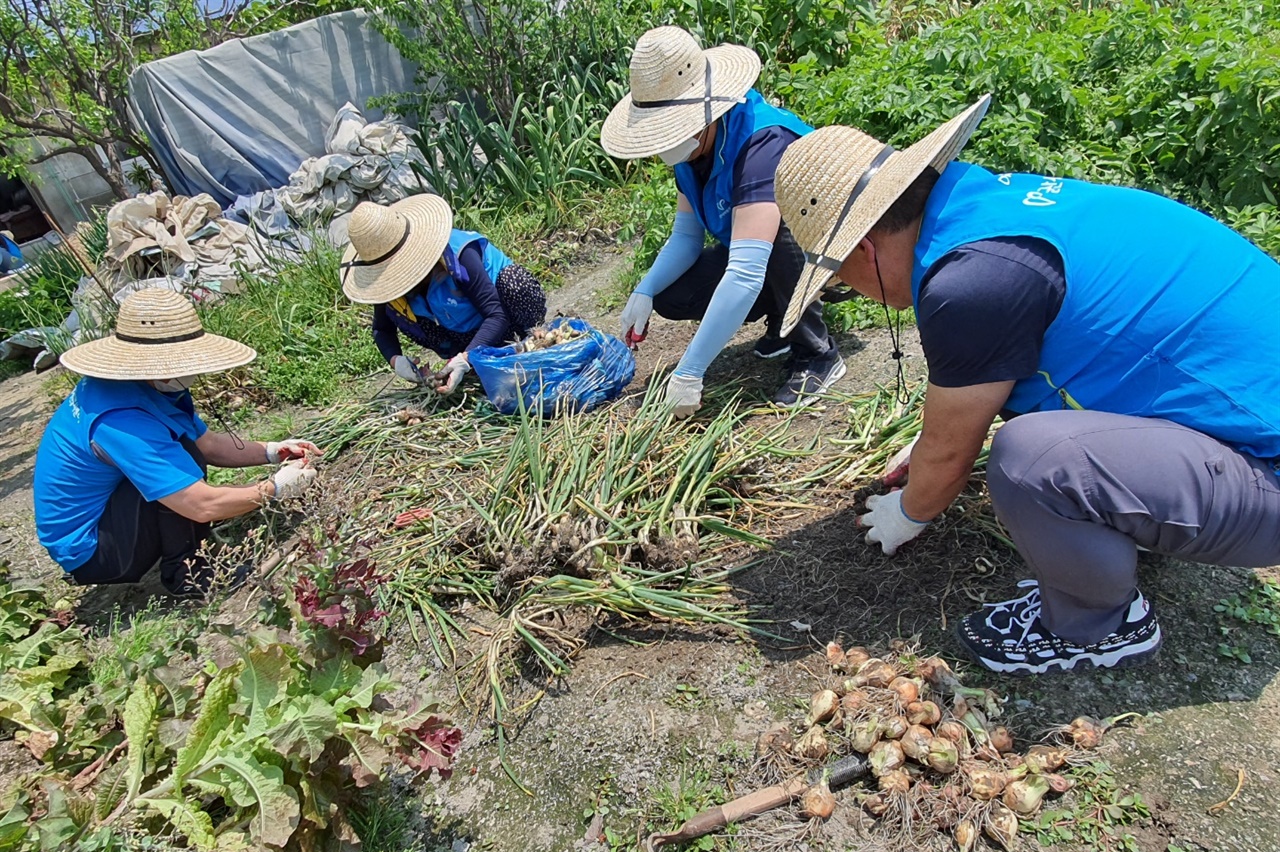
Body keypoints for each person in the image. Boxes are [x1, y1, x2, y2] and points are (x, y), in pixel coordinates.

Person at [773, 95, 1280, 675]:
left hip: (1268, 469)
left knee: (1029, 459)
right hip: (1245, 414)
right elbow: (1002, 371)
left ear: (863, 250)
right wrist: (935, 439)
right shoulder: (979, 206)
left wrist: (909, 512)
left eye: (837, 276)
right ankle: (1132, 518)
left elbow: (950, 456)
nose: (848, 288)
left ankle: (1098, 627)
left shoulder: (971, 286)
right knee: (1033, 435)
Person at [599, 26, 848, 416]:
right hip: (765, 254)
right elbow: (685, 238)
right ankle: (784, 318)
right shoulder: (693, 152)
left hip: (833, 250)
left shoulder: (760, 142)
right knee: (672, 291)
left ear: (705, 111)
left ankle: (816, 352)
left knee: (780, 229)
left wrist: (690, 371)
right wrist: (644, 291)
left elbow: (747, 272)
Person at [34, 288, 322, 597]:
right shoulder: (121, 419)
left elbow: (207, 445)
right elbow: (200, 504)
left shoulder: (145, 387)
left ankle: (184, 552)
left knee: (185, 450)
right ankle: (190, 575)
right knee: (181, 461)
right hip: (95, 553)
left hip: (107, 517)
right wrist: (275, 489)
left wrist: (271, 451)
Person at [341, 195, 547, 395]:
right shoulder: (388, 288)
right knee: (398, 313)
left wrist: (467, 357)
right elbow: (381, 329)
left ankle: (529, 340)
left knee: (514, 282)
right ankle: (465, 363)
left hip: (505, 317)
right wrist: (396, 360)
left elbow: (497, 315)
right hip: (460, 333)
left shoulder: (459, 255)